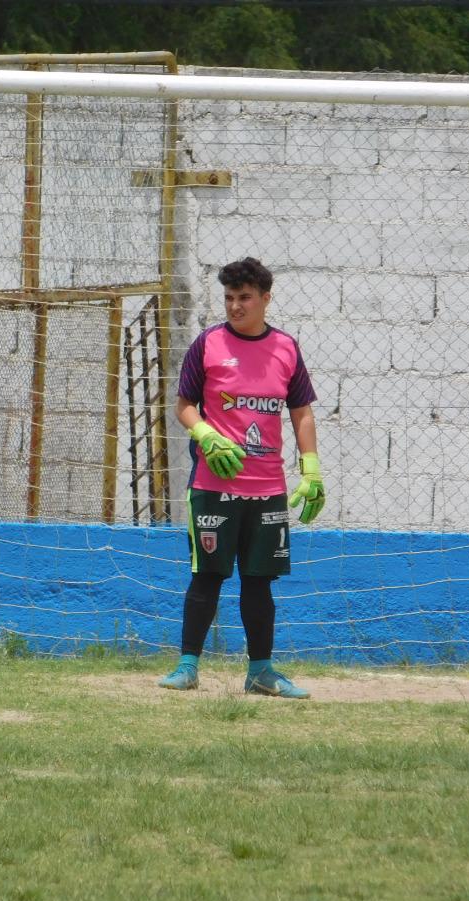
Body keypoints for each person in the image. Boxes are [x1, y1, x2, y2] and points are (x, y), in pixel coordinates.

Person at [159, 257, 326, 698]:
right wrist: (205, 433)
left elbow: (302, 412)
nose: (235, 306)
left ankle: (261, 672)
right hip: (213, 487)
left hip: (267, 489)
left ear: (265, 299)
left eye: (245, 298)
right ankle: (187, 666)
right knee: (207, 576)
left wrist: (311, 468)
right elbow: (184, 404)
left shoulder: (287, 349)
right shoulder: (208, 344)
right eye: (229, 298)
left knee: (259, 582)